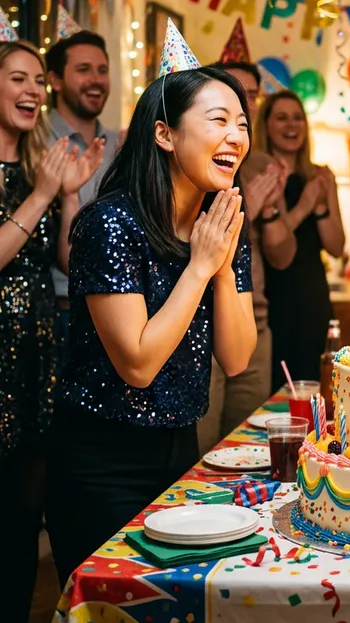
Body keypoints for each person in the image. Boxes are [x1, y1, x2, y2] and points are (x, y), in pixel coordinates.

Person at [45, 63, 257, 587]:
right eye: (218, 120)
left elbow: (236, 359)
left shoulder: (220, 223)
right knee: (111, 605)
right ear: (164, 133)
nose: (235, 136)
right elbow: (138, 365)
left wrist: (223, 263)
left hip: (181, 451)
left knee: (177, 603)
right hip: (102, 462)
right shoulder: (110, 223)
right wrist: (201, 266)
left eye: (241, 124)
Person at [0, 41, 103, 622]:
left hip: (39, 361)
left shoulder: (39, 163)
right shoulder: (28, 179)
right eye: (18, 78)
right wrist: (43, 194)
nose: (34, 91)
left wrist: (65, 200)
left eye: (39, 80)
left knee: (25, 514)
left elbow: (66, 262)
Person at [197, 61, 296, 451]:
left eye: (252, 96)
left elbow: (283, 255)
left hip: (254, 317)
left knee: (248, 447)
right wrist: (248, 206)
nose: (246, 102)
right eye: (236, 91)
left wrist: (270, 209)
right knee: (203, 446)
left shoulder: (257, 162)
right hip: (200, 323)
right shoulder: (199, 159)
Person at [260, 89, 344, 392]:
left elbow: (336, 247)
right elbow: (273, 248)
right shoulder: (261, 175)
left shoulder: (321, 175)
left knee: (318, 388)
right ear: (266, 125)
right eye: (281, 117)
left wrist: (320, 206)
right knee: (277, 390)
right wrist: (304, 206)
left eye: (297, 118)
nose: (291, 125)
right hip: (275, 297)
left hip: (314, 300)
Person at [45, 31, 120, 339]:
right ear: (56, 80)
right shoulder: (35, 141)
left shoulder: (121, 145)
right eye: (83, 69)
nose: (96, 79)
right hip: (59, 310)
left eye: (102, 70)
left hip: (120, 308)